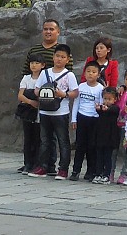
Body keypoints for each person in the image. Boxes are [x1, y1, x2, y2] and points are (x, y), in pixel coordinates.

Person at [27, 44, 77, 179]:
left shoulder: (69, 75)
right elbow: (36, 90)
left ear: (67, 59)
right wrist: (43, 92)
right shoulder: (45, 72)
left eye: (63, 57)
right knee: (44, 140)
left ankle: (63, 169)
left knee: (63, 141)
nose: (59, 59)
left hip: (61, 112)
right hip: (44, 111)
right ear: (53, 57)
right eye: (57, 56)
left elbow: (75, 92)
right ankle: (43, 167)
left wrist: (63, 94)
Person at [69, 61, 104, 181]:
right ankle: (75, 171)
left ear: (98, 75)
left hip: (94, 119)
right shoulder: (81, 87)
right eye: (88, 71)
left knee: (92, 146)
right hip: (82, 117)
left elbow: (101, 105)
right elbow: (76, 103)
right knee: (80, 146)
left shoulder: (100, 89)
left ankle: (91, 171)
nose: (90, 74)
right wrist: (74, 119)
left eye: (94, 72)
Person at [16, 57, 44, 172]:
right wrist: (31, 102)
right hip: (27, 110)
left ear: (42, 65)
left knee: (38, 138)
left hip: (39, 112)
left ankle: (37, 163)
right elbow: (20, 95)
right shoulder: (26, 78)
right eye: (32, 63)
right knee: (28, 138)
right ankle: (27, 163)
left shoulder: (44, 78)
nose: (34, 65)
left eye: (37, 63)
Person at [92, 85, 121, 184]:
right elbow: (100, 111)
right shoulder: (102, 108)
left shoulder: (115, 109)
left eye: (109, 99)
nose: (107, 101)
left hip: (110, 138)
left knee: (108, 157)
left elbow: (113, 110)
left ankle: (106, 175)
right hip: (100, 136)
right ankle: (98, 173)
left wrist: (106, 109)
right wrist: (98, 108)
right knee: (99, 156)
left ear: (115, 99)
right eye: (105, 98)